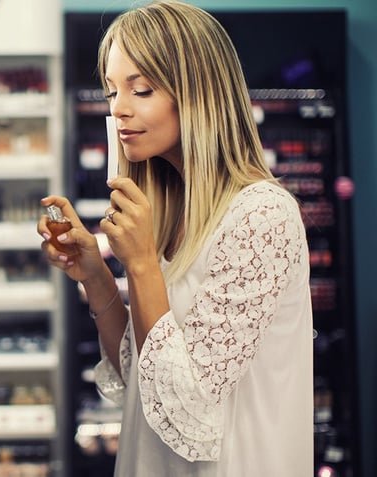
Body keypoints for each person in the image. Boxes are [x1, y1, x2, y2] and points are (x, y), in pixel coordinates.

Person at [37, 1, 313, 475]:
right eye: (110, 93)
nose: (119, 109)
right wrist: (98, 276)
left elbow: (187, 410)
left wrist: (142, 264)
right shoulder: (172, 211)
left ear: (199, 94)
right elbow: (143, 379)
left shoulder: (262, 215)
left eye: (140, 89)